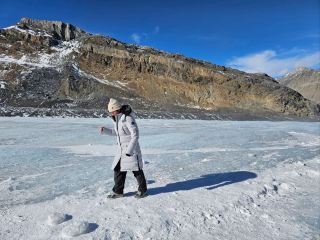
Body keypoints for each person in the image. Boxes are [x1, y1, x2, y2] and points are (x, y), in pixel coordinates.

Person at [100, 98, 147, 199]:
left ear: (116, 109)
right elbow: (118, 133)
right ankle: (118, 191)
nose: (111, 113)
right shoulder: (117, 120)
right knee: (118, 169)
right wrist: (105, 131)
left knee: (137, 170)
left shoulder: (127, 118)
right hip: (121, 151)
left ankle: (143, 190)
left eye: (111, 111)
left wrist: (129, 150)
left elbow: (135, 135)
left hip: (131, 150)